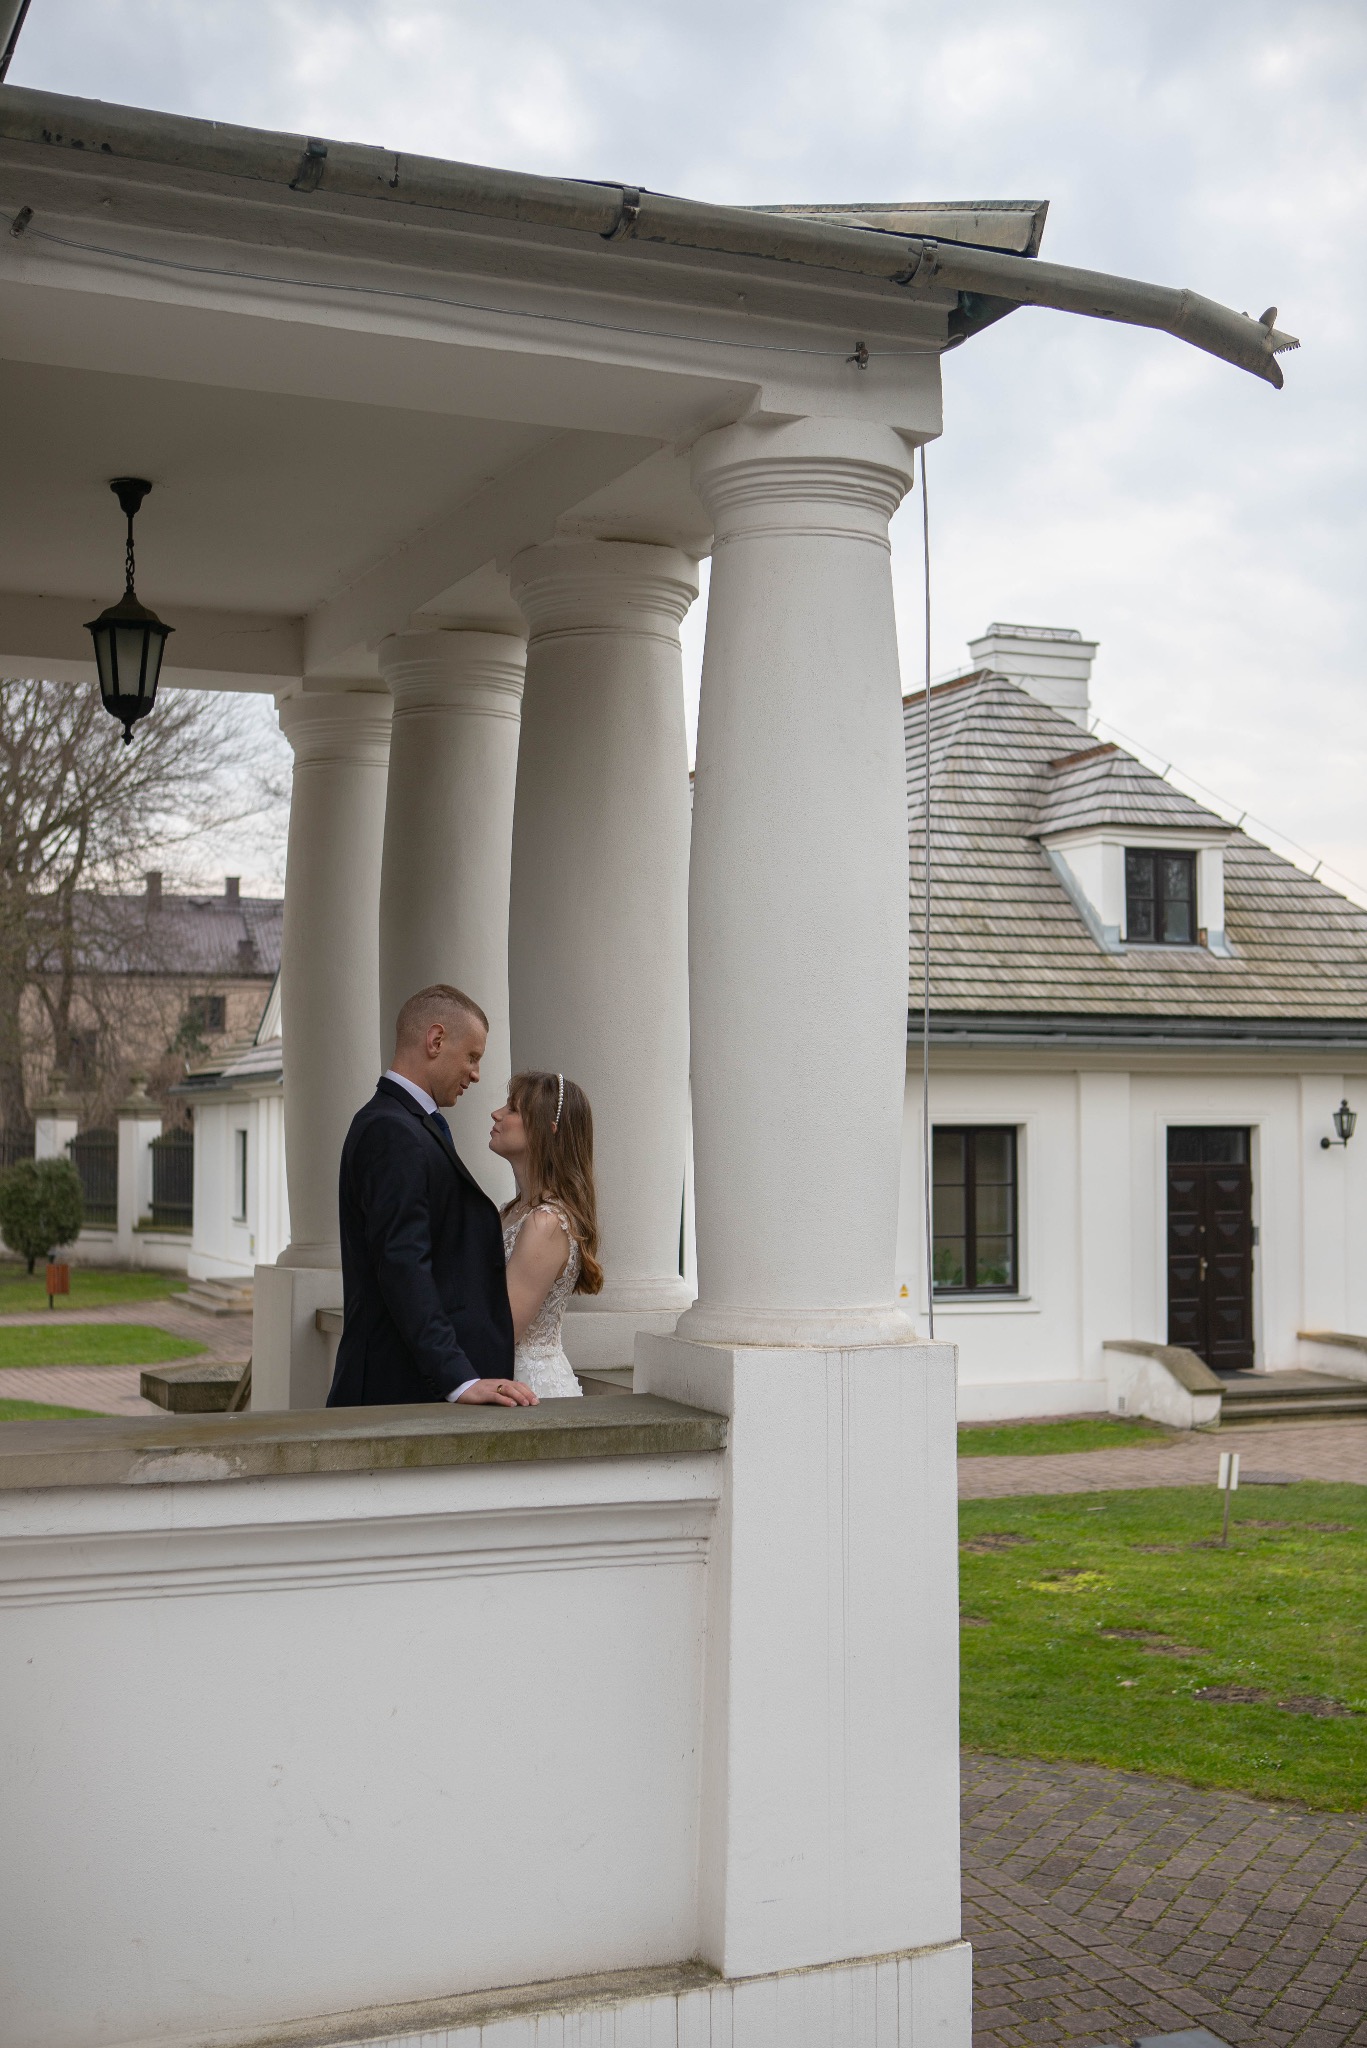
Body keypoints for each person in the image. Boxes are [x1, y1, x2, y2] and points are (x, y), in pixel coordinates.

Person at [327, 985, 538, 1409]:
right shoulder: (392, 1130)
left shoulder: (407, 1124)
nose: (476, 1074)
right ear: (436, 1040)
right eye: (473, 1056)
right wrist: (458, 1379)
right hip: (394, 1393)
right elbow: (403, 1263)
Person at [488, 1070, 604, 1399]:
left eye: (512, 1109)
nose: (497, 1113)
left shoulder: (546, 1224)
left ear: (547, 1132)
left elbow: (502, 1328)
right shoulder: (510, 1212)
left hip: (529, 1390)